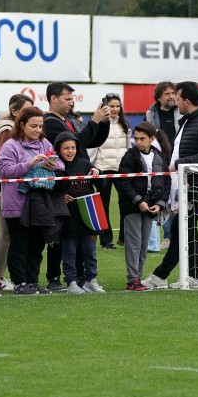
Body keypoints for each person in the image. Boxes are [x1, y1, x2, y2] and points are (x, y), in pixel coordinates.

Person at [142, 81, 198, 290]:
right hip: (186, 184)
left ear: (186, 101)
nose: (175, 102)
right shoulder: (188, 120)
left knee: (182, 229)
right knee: (187, 229)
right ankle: (194, 277)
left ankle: (161, 275)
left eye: (177, 98)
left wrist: (177, 164)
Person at [42, 81, 110, 290]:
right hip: (63, 183)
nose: (71, 102)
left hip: (80, 180)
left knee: (80, 236)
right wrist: (93, 122)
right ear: (53, 99)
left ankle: (82, 278)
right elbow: (77, 141)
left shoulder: (69, 119)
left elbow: (89, 141)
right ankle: (56, 278)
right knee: (61, 235)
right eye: (67, 98)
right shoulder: (50, 122)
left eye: (72, 98)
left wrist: (103, 122)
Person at [0, 106, 65, 295]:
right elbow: (4, 171)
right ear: (22, 124)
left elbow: (59, 162)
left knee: (36, 245)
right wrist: (30, 163)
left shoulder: (45, 143)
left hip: (40, 204)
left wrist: (52, 165)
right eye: (33, 126)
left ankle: (33, 282)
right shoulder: (10, 145)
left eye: (40, 126)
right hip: (16, 205)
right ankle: (19, 283)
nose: (37, 130)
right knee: (19, 244)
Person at [0, 93, 33, 291]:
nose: (29, 113)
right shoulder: (7, 131)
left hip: (13, 189)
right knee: (5, 234)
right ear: (14, 111)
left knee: (8, 234)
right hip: (4, 190)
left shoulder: (15, 130)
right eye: (25, 109)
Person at [117, 122, 170, 291]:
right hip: (132, 207)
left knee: (143, 244)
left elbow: (166, 182)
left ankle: (137, 277)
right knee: (133, 243)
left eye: (142, 139)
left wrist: (160, 204)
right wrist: (139, 201)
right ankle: (132, 279)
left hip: (151, 207)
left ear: (152, 139)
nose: (138, 142)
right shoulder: (129, 156)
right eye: (136, 138)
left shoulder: (159, 157)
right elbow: (124, 183)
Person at [55, 133, 104, 294]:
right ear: (59, 150)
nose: (70, 151)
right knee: (69, 251)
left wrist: (97, 173)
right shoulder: (57, 167)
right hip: (68, 218)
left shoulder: (84, 164)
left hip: (88, 215)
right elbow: (53, 190)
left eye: (73, 148)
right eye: (66, 148)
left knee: (90, 250)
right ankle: (71, 282)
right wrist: (61, 196)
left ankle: (91, 280)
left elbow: (101, 184)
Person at [144, 81, 180, 250]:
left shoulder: (180, 111)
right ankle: (167, 236)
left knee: (177, 197)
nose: (172, 96)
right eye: (167, 94)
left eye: (173, 93)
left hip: (178, 159)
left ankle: (176, 235)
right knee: (164, 195)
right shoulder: (151, 113)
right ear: (159, 97)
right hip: (159, 159)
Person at [93, 92, 130, 249]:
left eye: (117, 106)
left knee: (127, 203)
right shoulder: (98, 124)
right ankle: (106, 241)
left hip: (121, 170)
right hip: (103, 169)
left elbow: (128, 149)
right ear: (104, 106)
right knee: (104, 206)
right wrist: (93, 166)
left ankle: (124, 237)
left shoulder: (124, 124)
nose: (115, 109)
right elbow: (93, 148)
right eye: (112, 106)